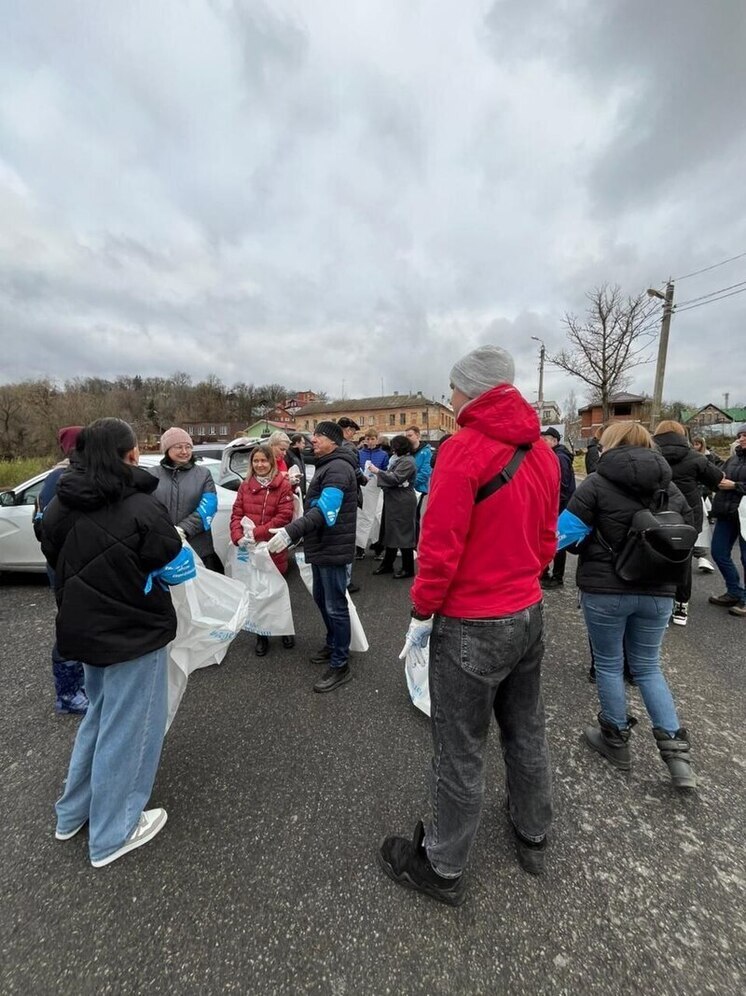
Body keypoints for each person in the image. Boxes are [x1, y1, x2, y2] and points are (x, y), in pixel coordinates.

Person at [378, 344, 559, 906]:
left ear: (473, 391)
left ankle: (444, 867)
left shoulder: (463, 451)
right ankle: (533, 832)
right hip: (526, 610)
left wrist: (422, 609)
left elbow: (439, 548)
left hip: (474, 620)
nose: (450, 398)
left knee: (458, 747)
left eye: (454, 388)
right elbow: (549, 537)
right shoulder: (543, 453)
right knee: (525, 728)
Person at [41, 417, 185, 867]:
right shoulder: (141, 505)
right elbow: (168, 555)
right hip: (134, 633)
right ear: (128, 454)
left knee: (99, 719)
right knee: (131, 728)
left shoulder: (59, 505)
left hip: (83, 631)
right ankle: (112, 831)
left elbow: (52, 554)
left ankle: (73, 813)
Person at [561, 421, 697, 789]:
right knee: (649, 667)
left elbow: (564, 537)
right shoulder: (669, 488)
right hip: (659, 590)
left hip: (605, 588)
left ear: (609, 444)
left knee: (608, 664)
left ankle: (615, 739)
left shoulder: (596, 484)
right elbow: (688, 532)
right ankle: (677, 757)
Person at [267, 421, 359, 692]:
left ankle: (341, 663)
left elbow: (324, 512)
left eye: (318, 436)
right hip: (321, 545)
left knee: (335, 605)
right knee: (322, 599)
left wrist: (289, 532)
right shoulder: (327, 464)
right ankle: (333, 645)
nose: (312, 440)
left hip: (333, 546)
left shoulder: (338, 468)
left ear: (333, 441)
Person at [34, 426, 89, 715]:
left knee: (80, 624)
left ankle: (79, 686)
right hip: (68, 568)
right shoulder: (59, 479)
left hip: (68, 566)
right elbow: (45, 531)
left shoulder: (56, 477)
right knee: (70, 627)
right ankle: (67, 693)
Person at [653, 421, 724, 623]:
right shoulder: (695, 457)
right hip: (687, 515)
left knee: (655, 556)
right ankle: (681, 607)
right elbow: (717, 479)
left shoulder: (651, 454)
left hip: (657, 511)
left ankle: (659, 605)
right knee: (683, 559)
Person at [230, 444, 295, 655]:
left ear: (271, 462)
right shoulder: (245, 485)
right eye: (255, 461)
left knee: (277, 591)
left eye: (263, 460)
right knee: (257, 593)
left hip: (273, 547)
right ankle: (262, 634)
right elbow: (236, 514)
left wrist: (257, 533)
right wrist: (237, 535)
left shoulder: (283, 485)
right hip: (251, 549)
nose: (259, 464)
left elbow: (284, 516)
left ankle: (284, 629)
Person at [148, 427, 223, 573]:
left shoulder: (203, 474)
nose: (184, 451)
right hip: (164, 546)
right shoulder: (152, 475)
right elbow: (147, 508)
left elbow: (209, 506)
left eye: (188, 447)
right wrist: (166, 531)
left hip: (198, 547)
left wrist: (183, 529)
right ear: (167, 449)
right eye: (179, 447)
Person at [708, 425, 746, 617]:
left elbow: (735, 484)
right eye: (740, 435)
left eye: (745, 435)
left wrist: (736, 486)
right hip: (726, 513)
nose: (741, 438)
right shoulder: (733, 458)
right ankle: (734, 591)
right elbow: (719, 476)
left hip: (745, 516)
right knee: (718, 552)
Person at [368, 435, 417, 579]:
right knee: (391, 532)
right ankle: (387, 564)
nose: (392, 449)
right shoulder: (401, 460)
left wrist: (378, 471)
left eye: (394, 446)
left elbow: (395, 478)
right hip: (395, 500)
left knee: (403, 534)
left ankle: (408, 568)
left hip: (402, 501)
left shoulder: (408, 462)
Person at [539, 427, 576, 590]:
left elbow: (561, 485)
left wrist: (552, 507)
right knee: (555, 540)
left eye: (546, 439)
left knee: (558, 542)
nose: (543, 442)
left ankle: (557, 577)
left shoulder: (560, 457)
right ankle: (547, 574)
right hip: (559, 506)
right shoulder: (557, 455)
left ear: (555, 441)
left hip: (559, 508)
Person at [336, 417, 368, 593]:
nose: (353, 436)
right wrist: (364, 479)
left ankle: (338, 578)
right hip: (349, 497)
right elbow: (356, 472)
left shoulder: (329, 446)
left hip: (334, 496)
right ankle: (346, 581)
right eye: (353, 432)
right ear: (347, 430)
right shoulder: (349, 448)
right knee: (348, 537)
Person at [405, 425, 433, 542]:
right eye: (406, 436)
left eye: (410, 435)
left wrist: (411, 483)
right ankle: (407, 541)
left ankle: (414, 543)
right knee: (406, 517)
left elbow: (425, 472)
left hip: (418, 489)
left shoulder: (426, 452)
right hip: (406, 488)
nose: (408, 438)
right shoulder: (407, 452)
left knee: (414, 517)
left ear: (417, 435)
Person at [286, 433, 308, 498]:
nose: (304, 445)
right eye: (303, 443)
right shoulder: (288, 454)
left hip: (300, 491)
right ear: (297, 443)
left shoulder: (300, 455)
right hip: (293, 491)